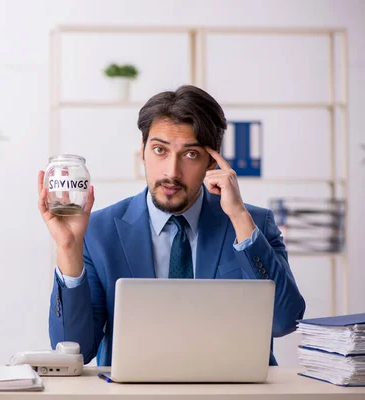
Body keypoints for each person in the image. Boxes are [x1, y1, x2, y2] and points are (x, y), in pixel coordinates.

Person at [37, 85, 306, 367]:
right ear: (142, 152)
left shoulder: (251, 224)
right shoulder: (99, 231)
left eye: (190, 154)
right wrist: (68, 247)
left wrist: (238, 217)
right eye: (159, 150)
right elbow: (72, 349)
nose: (172, 172)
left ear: (212, 162)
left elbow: (284, 321)